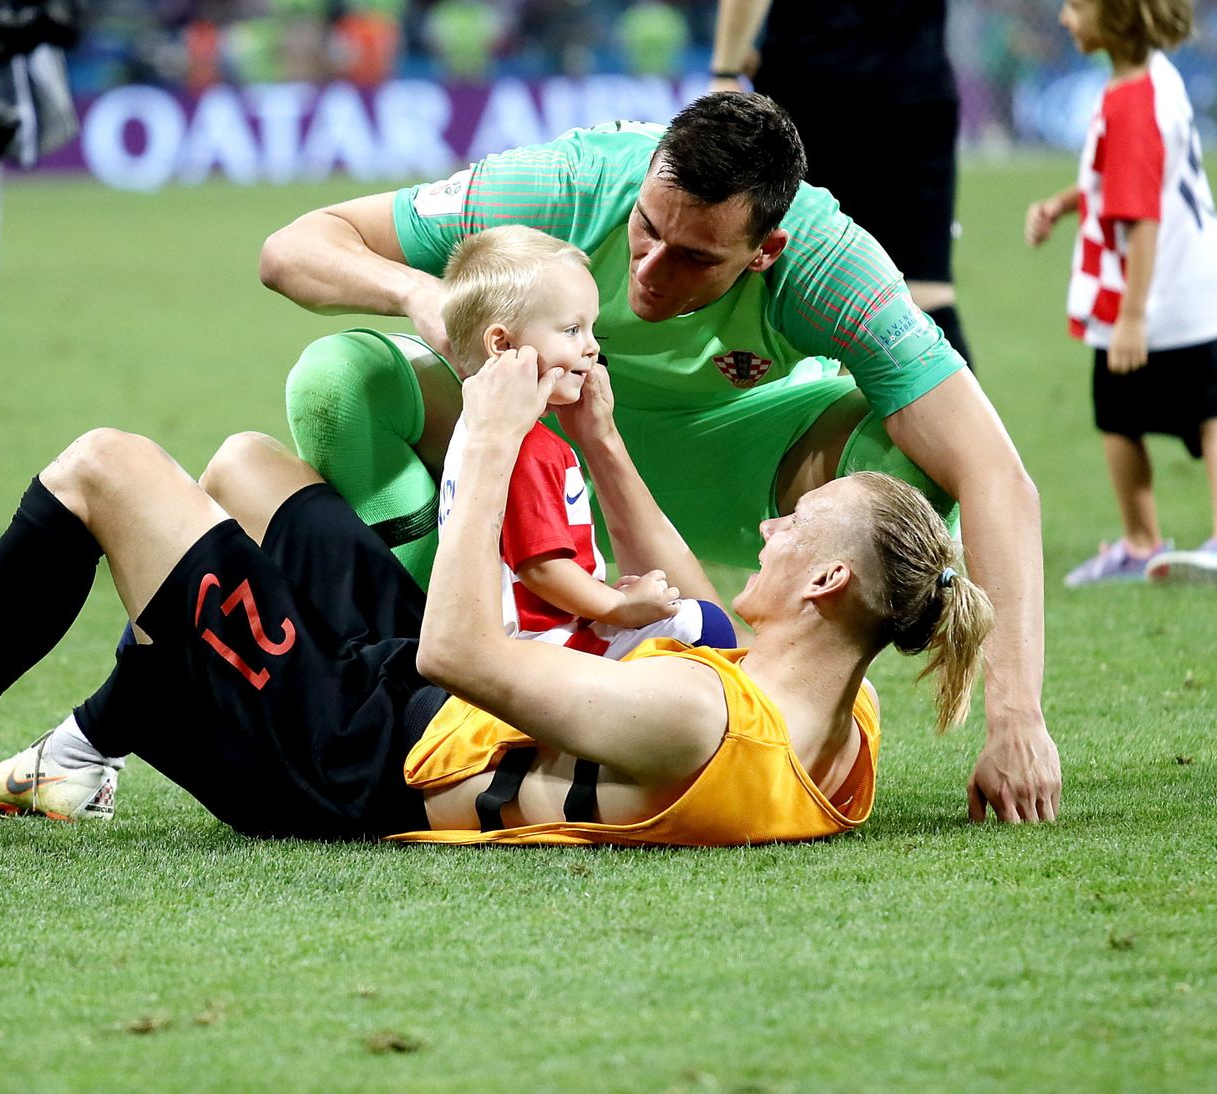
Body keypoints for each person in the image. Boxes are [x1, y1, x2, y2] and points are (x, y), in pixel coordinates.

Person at [0, 348, 993, 849]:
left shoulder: (691, 717)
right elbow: (701, 613)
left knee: (108, 466)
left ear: (826, 579)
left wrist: (488, 440)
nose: (770, 527)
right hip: (414, 705)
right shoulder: (834, 726)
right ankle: (86, 751)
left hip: (353, 753)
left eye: (795, 527)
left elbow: (461, 641)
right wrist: (601, 440)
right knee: (246, 469)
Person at [255, 90, 1060, 823]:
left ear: (765, 250)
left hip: (746, 461)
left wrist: (1016, 720)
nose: (647, 269)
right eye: (647, 228)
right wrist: (418, 294)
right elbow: (294, 248)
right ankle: (448, 658)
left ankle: (801, 690)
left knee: (910, 475)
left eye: (695, 257)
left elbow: (997, 475)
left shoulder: (831, 265)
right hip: (547, 431)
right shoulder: (564, 185)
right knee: (338, 383)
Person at [1025, 0, 1217, 587]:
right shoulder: (1153, 77)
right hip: (1204, 282)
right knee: (1216, 410)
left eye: (1076, 6)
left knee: (1119, 412)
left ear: (1116, 17)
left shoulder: (1132, 101)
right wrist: (1064, 206)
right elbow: (1121, 180)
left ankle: (1144, 543)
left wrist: (1132, 317)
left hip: (1161, 288)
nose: (1064, 18)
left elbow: (1140, 215)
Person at [436, 225, 736, 657]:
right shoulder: (526, 448)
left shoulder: (477, 431)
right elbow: (542, 569)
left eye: (592, 330)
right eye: (571, 330)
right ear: (502, 344)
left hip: (536, 632)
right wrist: (619, 606)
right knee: (705, 625)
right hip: (545, 646)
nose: (592, 348)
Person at [707, 0, 975, 370]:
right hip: (917, 86)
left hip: (814, 89)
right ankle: (963, 428)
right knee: (923, 288)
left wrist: (725, 70)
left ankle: (796, 420)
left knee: (790, 281)